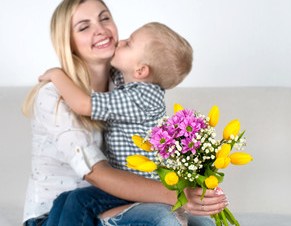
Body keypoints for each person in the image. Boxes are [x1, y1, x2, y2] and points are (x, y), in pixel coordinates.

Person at [22, 0, 228, 226]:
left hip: (119, 197)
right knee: (162, 219)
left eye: (104, 18)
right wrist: (178, 194)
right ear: (67, 42)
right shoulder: (54, 94)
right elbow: (96, 173)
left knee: (204, 223)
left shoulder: (128, 83)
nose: (100, 30)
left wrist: (186, 190)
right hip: (56, 214)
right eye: (83, 27)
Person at [38, 21, 195, 226]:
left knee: (79, 201)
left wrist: (57, 75)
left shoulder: (142, 97)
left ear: (141, 71)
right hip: (127, 184)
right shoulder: (128, 82)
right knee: (63, 200)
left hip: (137, 188)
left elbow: (83, 104)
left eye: (129, 43)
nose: (120, 42)